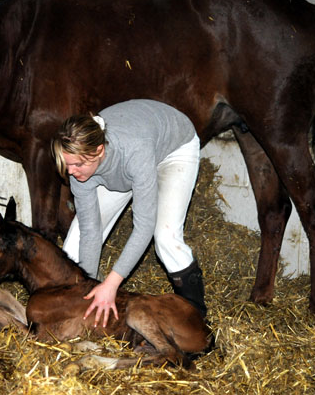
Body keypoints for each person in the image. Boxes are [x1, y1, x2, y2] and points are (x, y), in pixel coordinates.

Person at [52, 99, 207, 328]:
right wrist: (90, 289)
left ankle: (197, 318)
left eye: (77, 165)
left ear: (98, 150)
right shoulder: (79, 168)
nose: (70, 172)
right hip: (120, 164)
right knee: (74, 243)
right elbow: (91, 231)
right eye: (67, 165)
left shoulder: (134, 151)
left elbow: (144, 226)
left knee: (166, 238)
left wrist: (111, 285)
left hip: (174, 148)